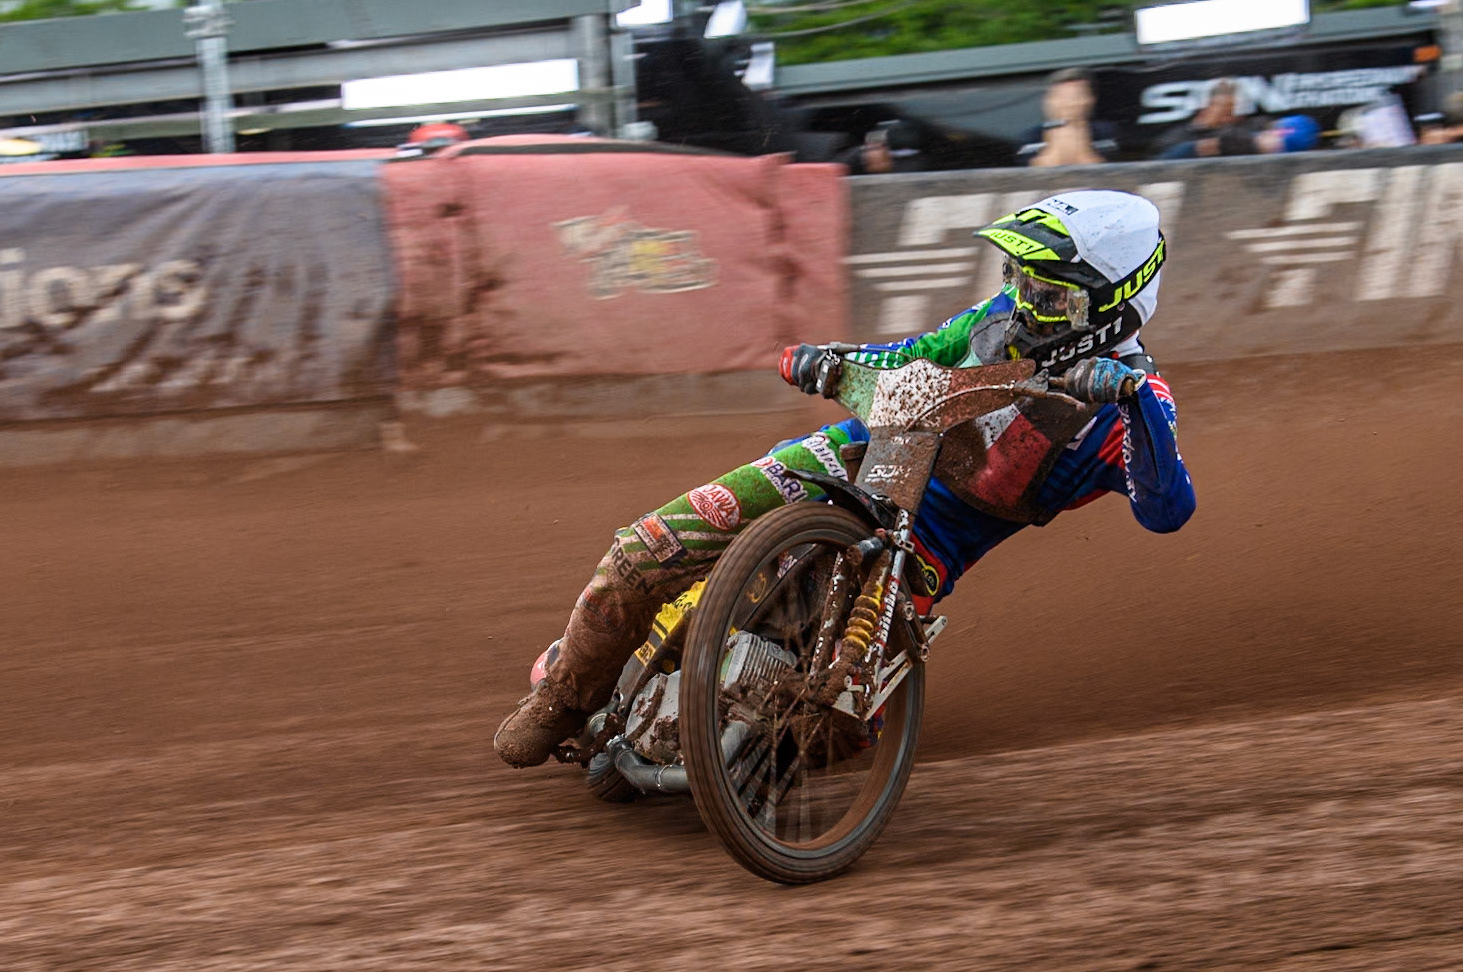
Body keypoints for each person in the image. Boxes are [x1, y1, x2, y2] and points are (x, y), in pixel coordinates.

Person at [493, 190, 1197, 769]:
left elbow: (1167, 511)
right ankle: (560, 696)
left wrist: (1133, 401)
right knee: (650, 546)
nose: (1021, 300)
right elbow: (913, 355)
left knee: (841, 728)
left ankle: (724, 746)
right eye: (1018, 279)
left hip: (923, 550)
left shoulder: (1131, 407)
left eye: (1048, 292)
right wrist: (831, 360)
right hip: (851, 458)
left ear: (1114, 305)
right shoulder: (993, 324)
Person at [1015, 68, 1118, 167]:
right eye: (1062, 97)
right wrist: (1058, 141)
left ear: (1090, 100)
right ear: (1049, 101)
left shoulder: (1105, 132)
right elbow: (1036, 176)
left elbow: (1105, 173)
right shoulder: (1031, 138)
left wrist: (1080, 138)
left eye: (1077, 96)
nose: (1070, 104)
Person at [1154, 79, 1260, 159]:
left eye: (1234, 110)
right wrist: (1194, 149)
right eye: (1225, 109)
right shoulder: (1176, 138)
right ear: (1206, 107)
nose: (1230, 116)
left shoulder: (1245, 129)